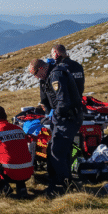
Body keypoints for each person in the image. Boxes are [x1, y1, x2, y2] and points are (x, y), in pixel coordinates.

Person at [29, 58, 83, 197]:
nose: (35, 77)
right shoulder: (48, 76)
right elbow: (47, 100)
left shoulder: (56, 75)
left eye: (35, 73)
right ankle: (57, 181)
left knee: (57, 151)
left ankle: (61, 185)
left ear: (41, 68)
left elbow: (63, 101)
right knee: (53, 148)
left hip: (67, 118)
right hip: (62, 118)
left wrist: (55, 115)